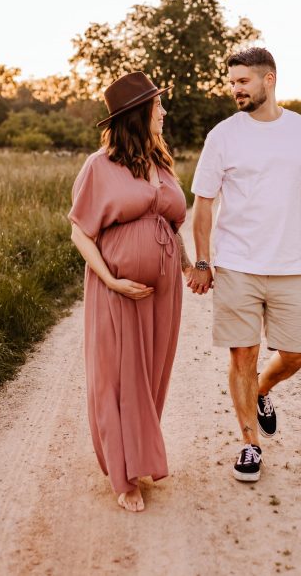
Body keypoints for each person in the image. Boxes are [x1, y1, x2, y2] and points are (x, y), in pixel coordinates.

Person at [187, 48, 301, 482]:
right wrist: (203, 259)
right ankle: (250, 445)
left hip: (291, 266)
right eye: (231, 82)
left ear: (268, 80)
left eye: (243, 82)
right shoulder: (222, 136)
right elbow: (203, 204)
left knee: (296, 354)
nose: (234, 89)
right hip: (236, 265)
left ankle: (263, 391)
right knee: (243, 357)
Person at [68, 71, 192, 511]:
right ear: (140, 114)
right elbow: (80, 233)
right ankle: (124, 479)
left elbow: (171, 225)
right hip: (118, 290)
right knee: (119, 379)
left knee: (151, 377)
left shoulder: (161, 163)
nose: (164, 111)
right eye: (158, 106)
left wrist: (189, 265)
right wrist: (111, 279)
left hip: (164, 293)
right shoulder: (98, 166)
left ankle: (137, 455)